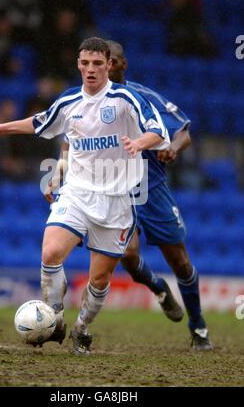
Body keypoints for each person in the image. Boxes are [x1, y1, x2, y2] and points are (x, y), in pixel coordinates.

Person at [0, 37, 170, 356]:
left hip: (117, 201)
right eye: (85, 63)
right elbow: (40, 122)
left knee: (99, 279)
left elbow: (159, 132)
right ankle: (54, 317)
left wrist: (140, 144)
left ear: (108, 64)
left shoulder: (126, 98)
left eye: (98, 63)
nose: (91, 69)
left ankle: (81, 328)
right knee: (51, 252)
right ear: (78, 65)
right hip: (77, 193)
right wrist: (2, 128)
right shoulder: (70, 102)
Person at [46, 40, 212, 351]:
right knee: (127, 253)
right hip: (112, 190)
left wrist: (172, 149)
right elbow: (69, 139)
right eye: (97, 63)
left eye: (111, 62)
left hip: (151, 189)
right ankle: (157, 287)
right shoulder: (83, 99)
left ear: (122, 64)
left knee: (179, 260)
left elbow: (182, 130)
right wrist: (59, 169)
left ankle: (198, 325)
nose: (103, 68)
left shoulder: (143, 96)